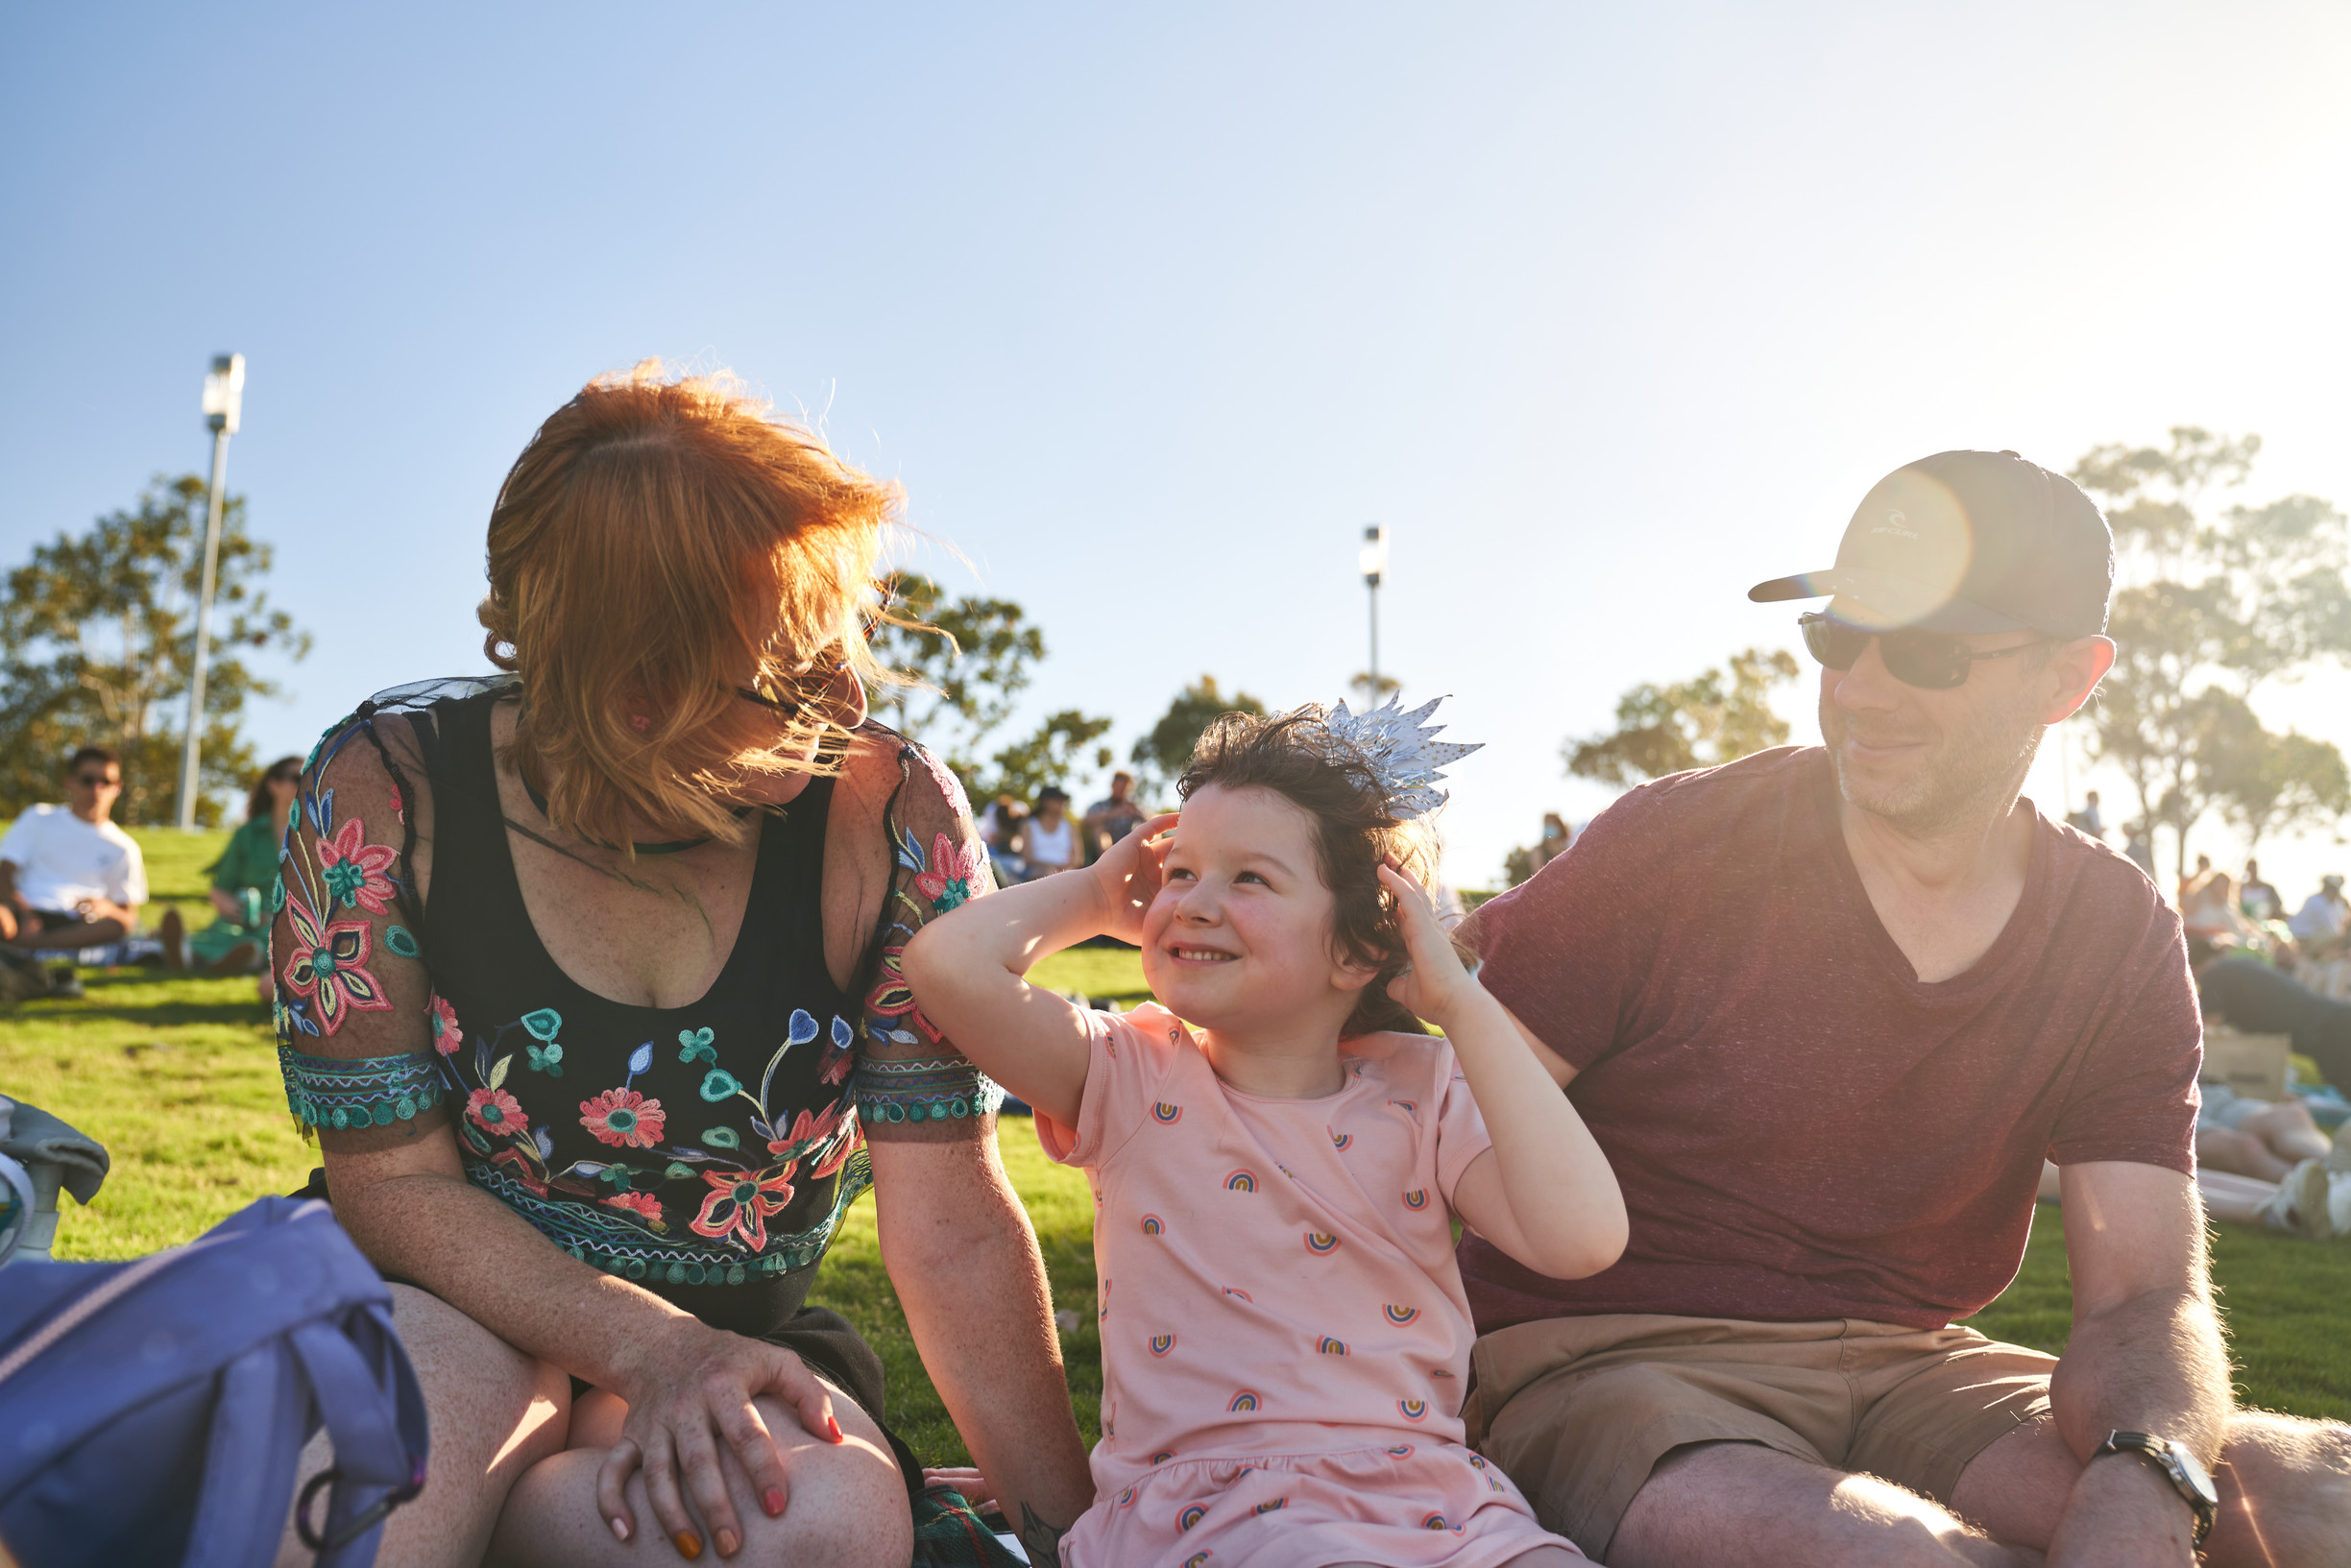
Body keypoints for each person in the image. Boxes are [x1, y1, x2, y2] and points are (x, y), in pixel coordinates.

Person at [1461, 448, 2351, 1567]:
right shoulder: (1671, 846)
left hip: (1916, 1359)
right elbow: (1425, 1130)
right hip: (1610, 1359)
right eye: (1843, 634)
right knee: (1892, 1554)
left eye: (1930, 650)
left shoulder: (2116, 929)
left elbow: (2142, 1294)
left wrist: (2142, 1482)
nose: (1865, 684)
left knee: (2311, 1500)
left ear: (2068, 679)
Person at [268, 365, 1090, 1568]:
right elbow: (390, 1186)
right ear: (634, 694)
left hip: (740, 1339)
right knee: (390, 1488)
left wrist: (1076, 1534)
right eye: (792, 671)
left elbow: (952, 1216)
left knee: (810, 1519)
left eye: (847, 638)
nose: (850, 695)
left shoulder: (888, 810)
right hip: (448, 1305)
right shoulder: (386, 794)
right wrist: (643, 1347)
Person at [903, 702, 1620, 1567]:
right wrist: (1094, 894)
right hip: (1214, 1514)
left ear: (1359, 949)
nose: (1195, 904)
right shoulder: (1130, 1073)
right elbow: (945, 965)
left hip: (1436, 1500)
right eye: (1181, 872)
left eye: (1249, 879)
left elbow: (1582, 1237)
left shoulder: (1424, 1089)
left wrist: (1462, 1007)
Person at [0, 746, 148, 988]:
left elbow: (128, 918)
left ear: (117, 788)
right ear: (70, 782)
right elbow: (4, 874)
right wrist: (25, 913)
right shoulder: (38, 817)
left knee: (117, 926)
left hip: (76, 924)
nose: (97, 789)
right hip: (22, 911)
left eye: (106, 782)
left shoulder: (125, 847)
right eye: (88, 780)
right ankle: (24, 947)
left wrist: (106, 908)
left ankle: (25, 949)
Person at [161, 755, 301, 978]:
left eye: (310, 777)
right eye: (297, 777)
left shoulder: (319, 835)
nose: (305, 783)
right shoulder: (247, 834)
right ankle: (206, 957)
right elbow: (219, 889)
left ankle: (204, 957)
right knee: (228, 932)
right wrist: (233, 909)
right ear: (274, 785)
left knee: (273, 940)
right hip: (243, 920)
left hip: (290, 924)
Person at [1009, 786, 1081, 880]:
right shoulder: (1028, 825)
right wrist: (1050, 868)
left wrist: (1061, 870)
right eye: (1058, 800)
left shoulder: (1070, 827)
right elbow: (1027, 858)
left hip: (1065, 874)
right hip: (1036, 874)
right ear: (1046, 803)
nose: (1063, 804)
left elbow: (1078, 859)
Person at [1079, 771, 1148, 863]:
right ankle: (1108, 861)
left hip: (1128, 844)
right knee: (1098, 827)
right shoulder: (1100, 805)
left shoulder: (1132, 806)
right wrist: (1112, 814)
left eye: (1124, 788)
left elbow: (1151, 820)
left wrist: (1139, 814)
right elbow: (1085, 821)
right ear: (1112, 785)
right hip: (1104, 847)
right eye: (1119, 787)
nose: (1121, 791)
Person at [2290, 873, 2349, 956]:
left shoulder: (2333, 903)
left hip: (2313, 937)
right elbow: (2332, 929)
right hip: (2304, 938)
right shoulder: (2317, 902)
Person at [2241, 858, 2282, 923]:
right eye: (2250, 868)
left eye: (2254, 868)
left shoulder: (2268, 888)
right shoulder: (2241, 888)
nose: (2253, 871)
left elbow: (2278, 904)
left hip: (2266, 922)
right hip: (2246, 922)